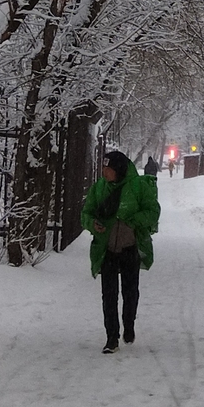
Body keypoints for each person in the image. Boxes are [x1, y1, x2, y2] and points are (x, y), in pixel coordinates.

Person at [82, 148, 159, 352]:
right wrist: (93, 223)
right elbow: (86, 213)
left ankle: (129, 324)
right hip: (106, 249)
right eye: (103, 168)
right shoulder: (99, 188)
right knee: (109, 294)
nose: (104, 172)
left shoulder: (138, 187)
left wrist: (134, 222)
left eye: (108, 168)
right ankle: (111, 337)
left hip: (130, 247)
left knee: (130, 291)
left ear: (119, 169)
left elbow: (153, 211)